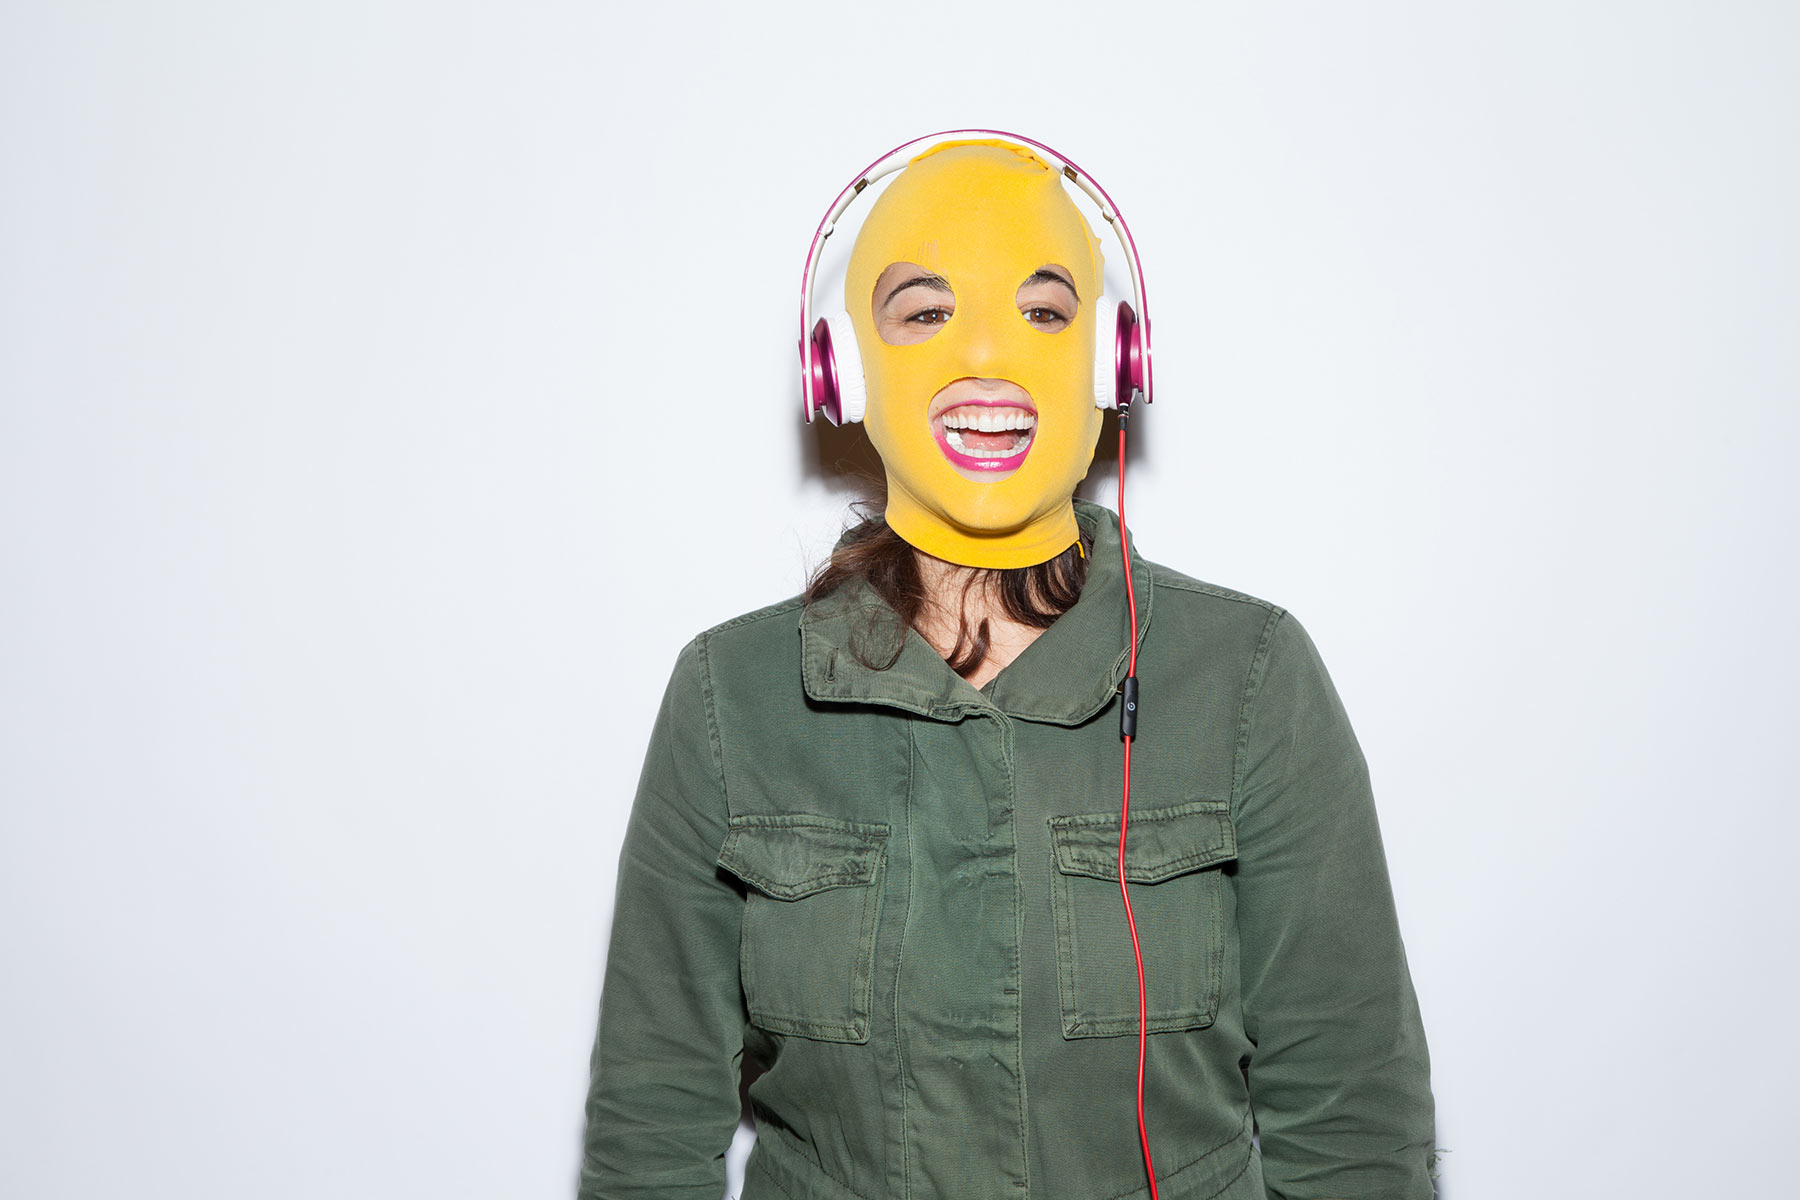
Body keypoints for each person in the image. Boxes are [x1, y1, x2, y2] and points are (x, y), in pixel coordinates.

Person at [579, 136, 1436, 1200]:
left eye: (1042, 310)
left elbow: (1352, 1118)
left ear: (1115, 360)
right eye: (925, 311)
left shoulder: (1251, 675)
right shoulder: (729, 695)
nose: (986, 353)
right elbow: (650, 1127)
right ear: (842, 367)